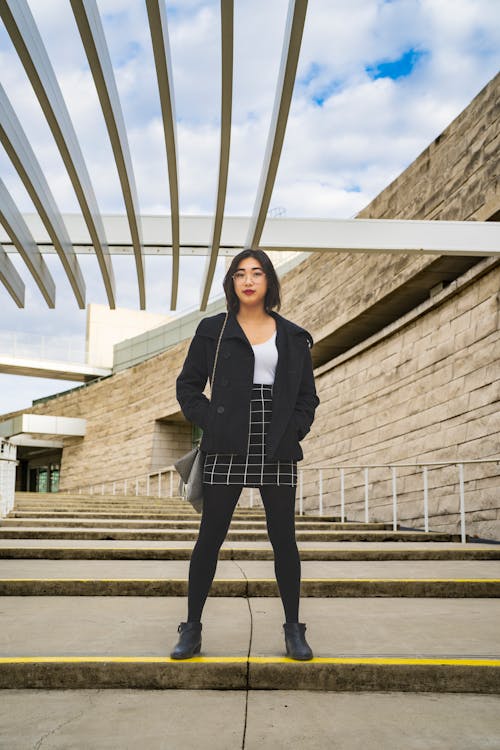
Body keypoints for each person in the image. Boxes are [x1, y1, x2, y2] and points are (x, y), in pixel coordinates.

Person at [171, 248, 319, 660]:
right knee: (210, 539)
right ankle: (192, 629)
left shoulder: (292, 335)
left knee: (284, 540)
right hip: (226, 438)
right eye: (240, 274)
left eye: (257, 273)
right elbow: (188, 386)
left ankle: (294, 630)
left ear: (269, 281)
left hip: (278, 440)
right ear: (231, 283)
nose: (248, 280)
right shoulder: (213, 330)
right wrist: (212, 423)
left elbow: (308, 395)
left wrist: (295, 429)